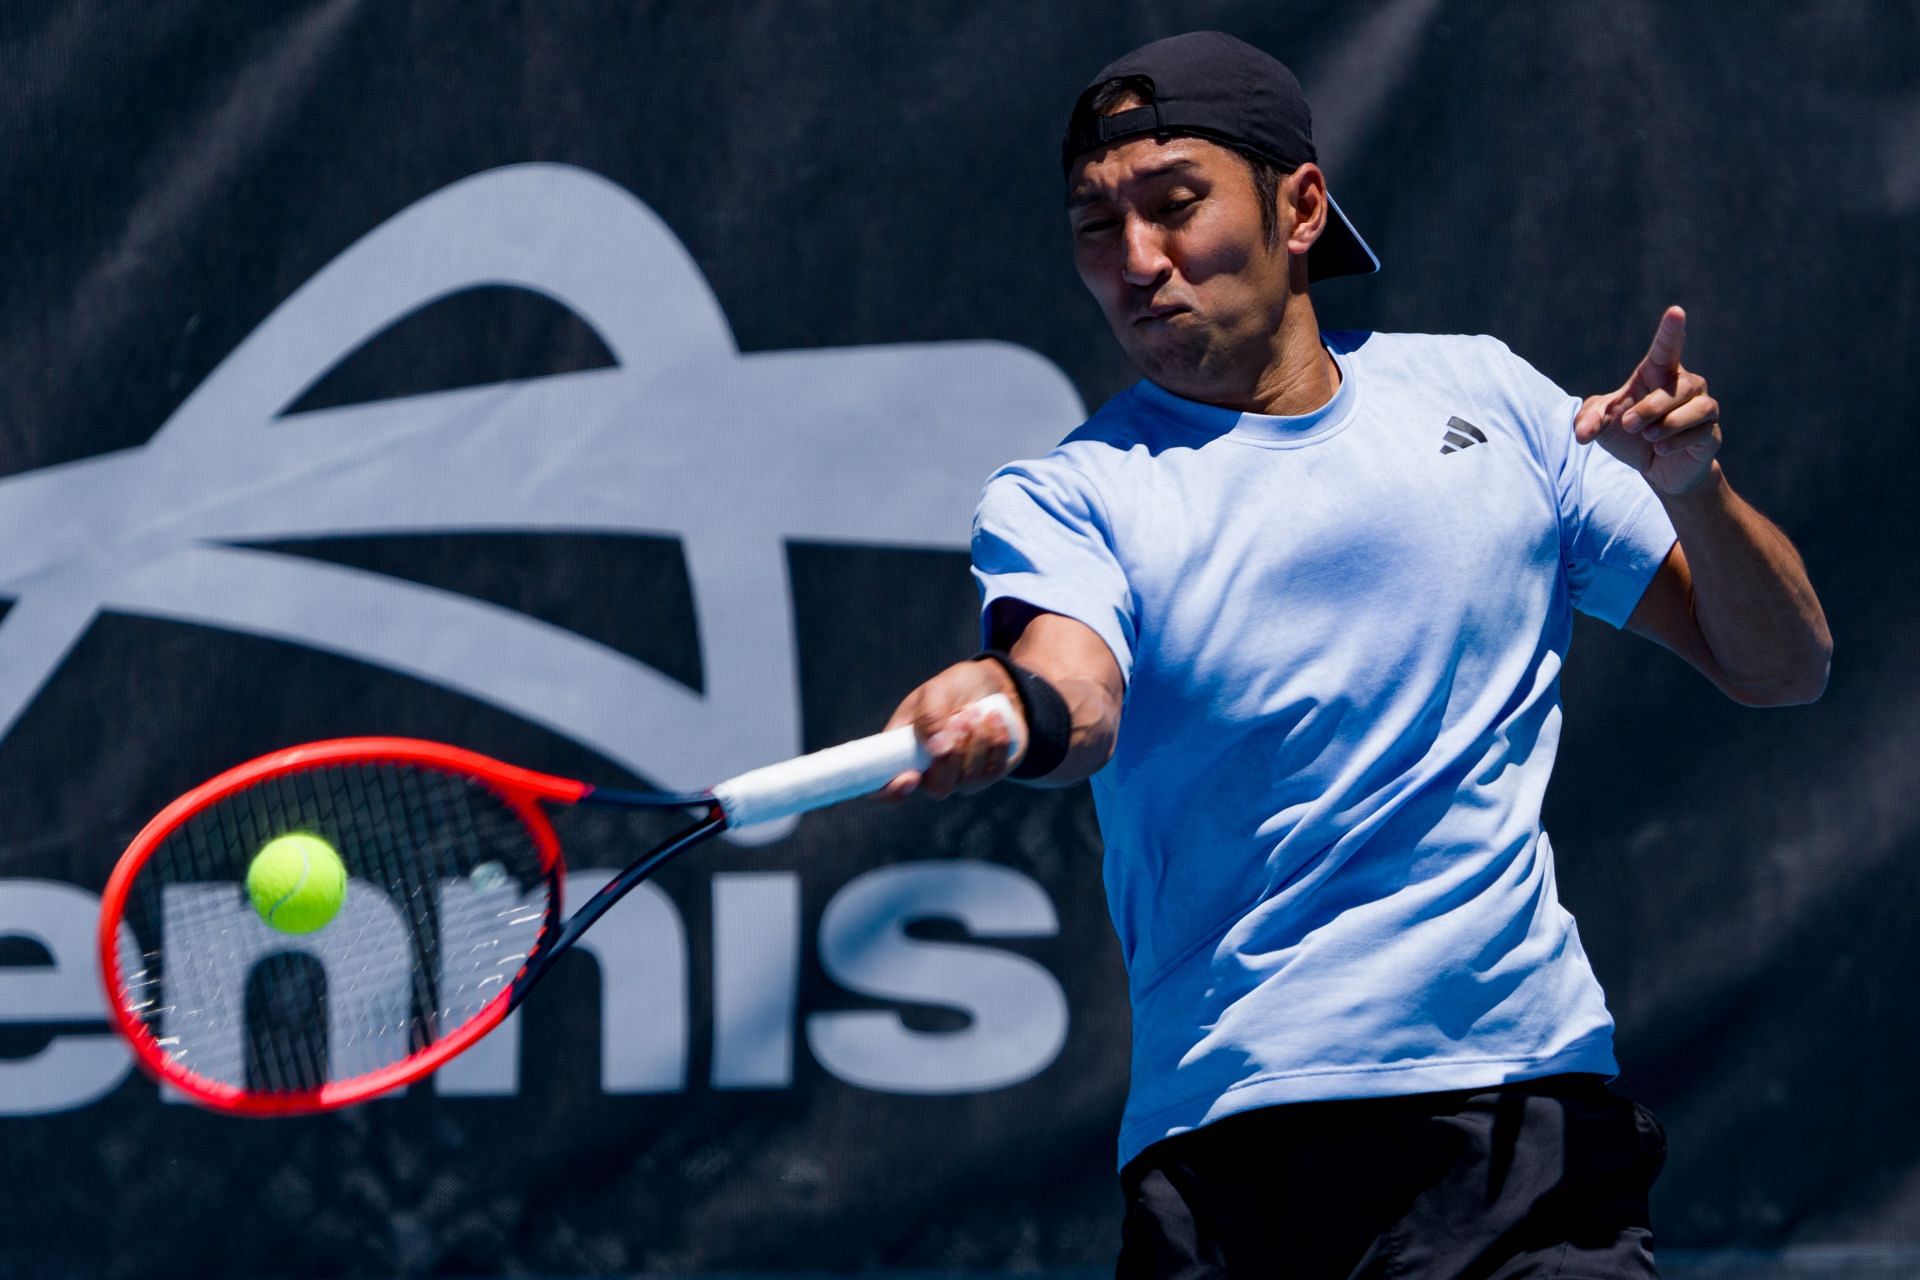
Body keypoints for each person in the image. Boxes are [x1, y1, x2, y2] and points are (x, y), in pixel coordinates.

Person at [880, 30, 1832, 1280]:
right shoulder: (1069, 496)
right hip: (1233, 1155)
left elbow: (1781, 662)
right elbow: (1077, 685)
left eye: (1173, 206)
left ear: (1301, 208)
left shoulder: (1491, 401)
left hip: (1520, 1124)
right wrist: (1005, 704)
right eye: (1096, 228)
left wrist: (1697, 491)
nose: (1136, 262)